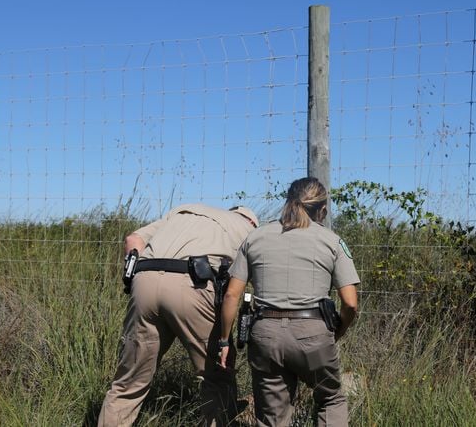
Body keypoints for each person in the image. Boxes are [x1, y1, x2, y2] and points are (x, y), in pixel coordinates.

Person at [99, 203, 259, 427]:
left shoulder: (184, 211)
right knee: (216, 377)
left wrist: (133, 278)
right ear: (252, 221)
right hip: (194, 285)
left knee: (128, 384)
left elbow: (132, 240)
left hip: (144, 279)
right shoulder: (249, 230)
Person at [218, 177, 360, 426]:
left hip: (266, 339)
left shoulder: (255, 238)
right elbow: (350, 303)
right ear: (323, 209)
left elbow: (231, 295)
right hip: (313, 338)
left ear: (288, 202)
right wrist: (337, 332)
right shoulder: (332, 241)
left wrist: (223, 340)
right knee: (331, 399)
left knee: (273, 415)